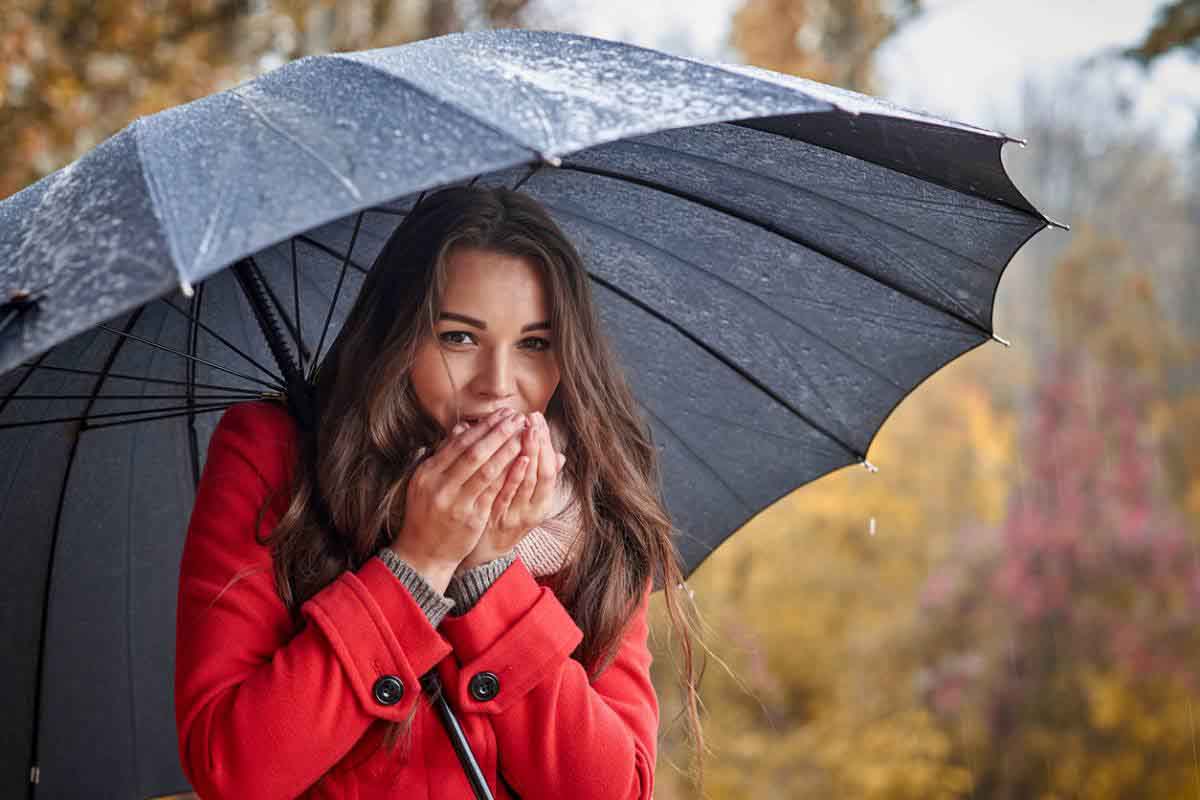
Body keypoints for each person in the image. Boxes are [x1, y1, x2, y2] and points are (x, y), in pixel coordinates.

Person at [174, 184, 705, 799]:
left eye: (535, 344)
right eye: (459, 338)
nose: (498, 385)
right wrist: (417, 566)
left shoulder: (592, 494)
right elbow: (233, 770)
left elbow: (613, 790)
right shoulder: (277, 456)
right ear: (399, 340)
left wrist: (491, 578)